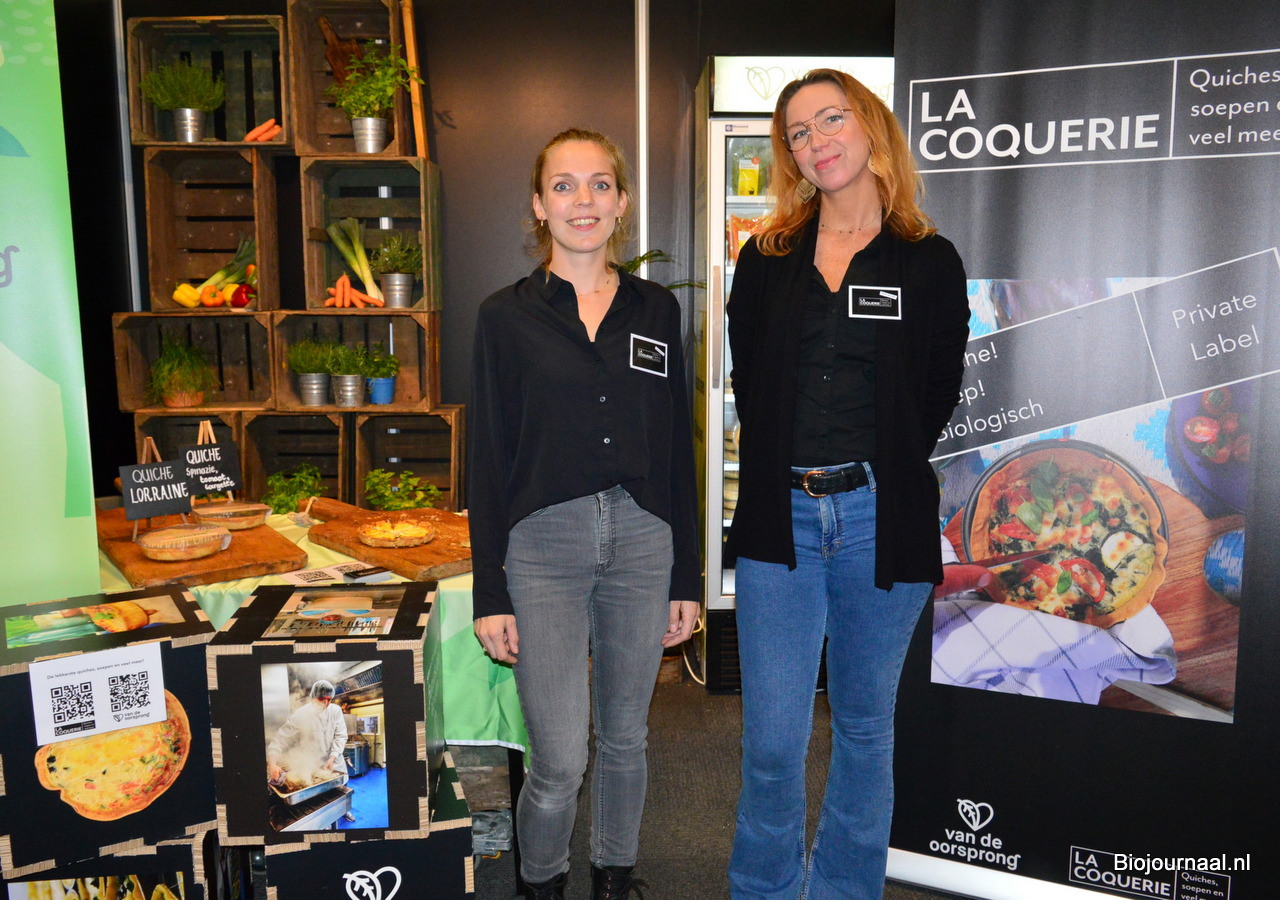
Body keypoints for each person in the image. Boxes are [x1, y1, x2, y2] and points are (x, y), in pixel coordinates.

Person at [725, 68, 971, 899]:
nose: (816, 141)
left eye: (830, 120)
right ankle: (765, 890)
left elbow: (937, 390)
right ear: (790, 156)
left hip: (878, 518)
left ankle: (841, 890)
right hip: (779, 521)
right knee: (772, 741)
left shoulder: (929, 261)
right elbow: (752, 378)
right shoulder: (766, 261)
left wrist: (882, 471)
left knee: (865, 729)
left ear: (869, 127)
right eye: (798, 132)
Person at [468, 128, 700, 900]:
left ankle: (613, 876)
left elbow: (676, 446)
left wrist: (688, 574)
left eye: (600, 184)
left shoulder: (657, 310)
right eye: (563, 186)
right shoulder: (504, 318)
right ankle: (541, 882)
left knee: (627, 736)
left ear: (622, 201)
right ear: (540, 205)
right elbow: (488, 457)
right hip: (543, 546)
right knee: (560, 758)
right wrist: (491, 590)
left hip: (644, 537)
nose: (583, 201)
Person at [265, 679, 355, 822]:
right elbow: (281, 737)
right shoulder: (302, 714)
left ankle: (345, 810)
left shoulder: (335, 710)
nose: (326, 703)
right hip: (313, 766)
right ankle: (326, 820)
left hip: (335, 763)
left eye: (329, 699)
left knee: (342, 791)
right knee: (321, 798)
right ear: (313, 697)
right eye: (322, 699)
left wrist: (332, 758)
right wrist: (272, 764)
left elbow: (340, 736)